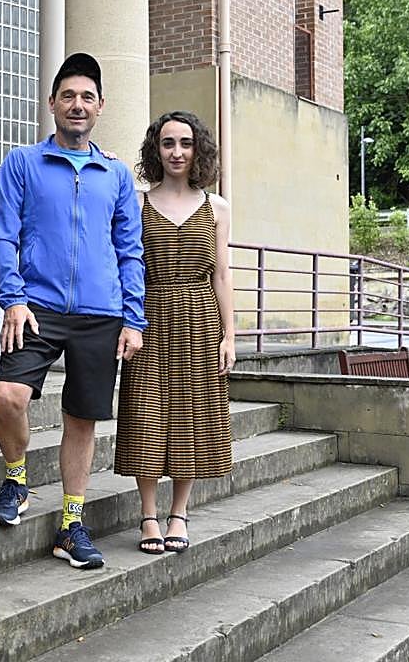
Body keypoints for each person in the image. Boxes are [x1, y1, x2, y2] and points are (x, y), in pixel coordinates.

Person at [0, 52, 146, 570]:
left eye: (87, 98)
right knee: (9, 397)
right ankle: (16, 477)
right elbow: (3, 236)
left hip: (100, 314)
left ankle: (72, 522)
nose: (77, 105)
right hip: (36, 306)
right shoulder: (21, 164)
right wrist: (12, 297)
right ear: (52, 103)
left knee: (81, 418)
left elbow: (130, 250)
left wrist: (133, 318)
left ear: (100, 108)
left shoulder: (116, 175)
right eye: (68, 96)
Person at [114, 110, 235, 556]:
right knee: (146, 417)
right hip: (148, 317)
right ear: (156, 149)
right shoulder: (138, 203)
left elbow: (221, 274)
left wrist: (230, 336)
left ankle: (179, 512)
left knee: (192, 420)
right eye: (168, 143)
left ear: (197, 148)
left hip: (200, 320)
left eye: (185, 143)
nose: (177, 152)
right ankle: (148, 514)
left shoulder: (216, 207)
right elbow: (126, 265)